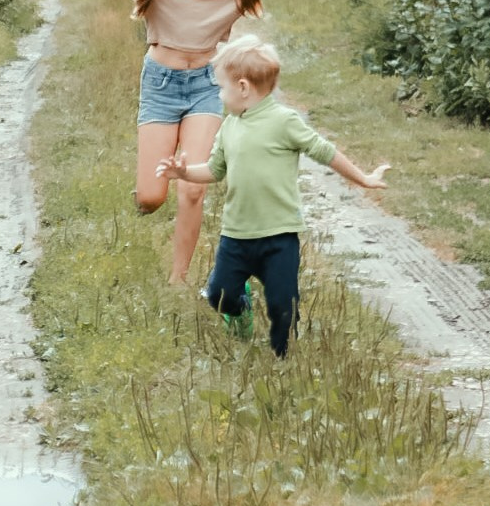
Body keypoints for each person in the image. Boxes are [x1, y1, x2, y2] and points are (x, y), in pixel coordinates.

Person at [0, 0, 394, 286]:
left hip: (207, 83)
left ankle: (178, 281)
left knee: (192, 187)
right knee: (152, 197)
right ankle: (148, 194)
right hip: (161, 84)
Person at [156, 35, 389, 356]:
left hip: (279, 237)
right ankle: (240, 310)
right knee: (219, 295)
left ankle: (284, 358)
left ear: (242, 87)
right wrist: (183, 173)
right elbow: (214, 169)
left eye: (221, 88)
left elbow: (325, 152)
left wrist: (362, 178)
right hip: (236, 235)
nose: (220, 95)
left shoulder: (284, 122)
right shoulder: (229, 127)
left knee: (283, 306)